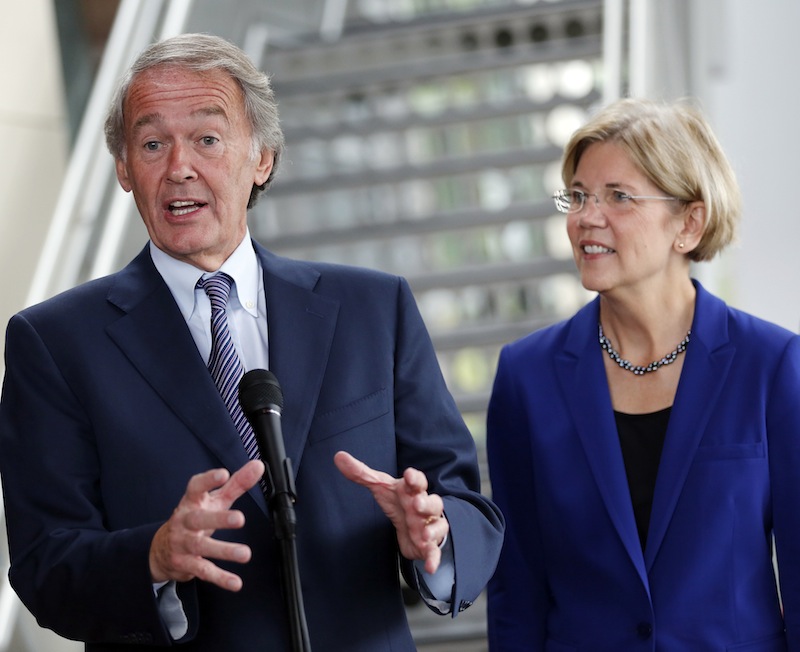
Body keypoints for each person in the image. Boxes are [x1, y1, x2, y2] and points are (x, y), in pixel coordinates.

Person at [0, 33, 503, 651]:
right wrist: (155, 556)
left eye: (208, 139)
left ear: (261, 158)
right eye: (153, 143)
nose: (178, 165)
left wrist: (435, 535)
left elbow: (464, 504)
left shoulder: (373, 308)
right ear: (125, 169)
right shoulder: (53, 343)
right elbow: (45, 564)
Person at [485, 97, 800, 651]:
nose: (586, 217)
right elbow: (518, 588)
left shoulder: (772, 365)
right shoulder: (525, 378)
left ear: (689, 222)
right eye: (578, 196)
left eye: (619, 197)